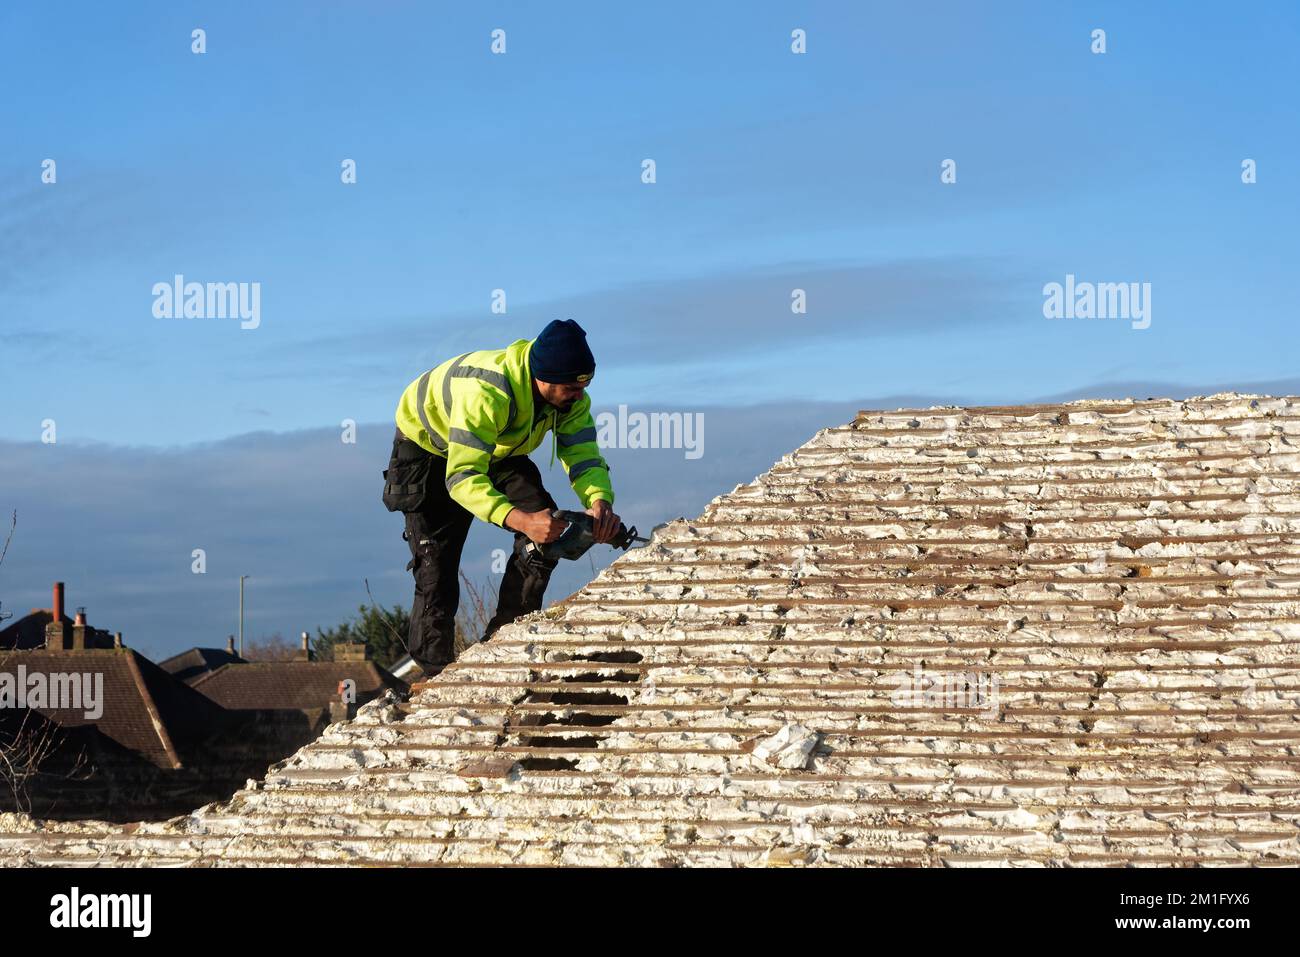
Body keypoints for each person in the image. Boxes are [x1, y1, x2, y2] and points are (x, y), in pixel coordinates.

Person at [381, 319, 620, 676]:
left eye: (586, 384)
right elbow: (462, 479)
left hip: (498, 448)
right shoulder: (487, 392)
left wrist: (599, 501)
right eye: (572, 386)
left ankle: (506, 641)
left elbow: (583, 455)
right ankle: (435, 677)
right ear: (545, 378)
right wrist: (522, 520)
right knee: (436, 569)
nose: (580, 394)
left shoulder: (571, 400)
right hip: (428, 448)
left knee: (547, 532)